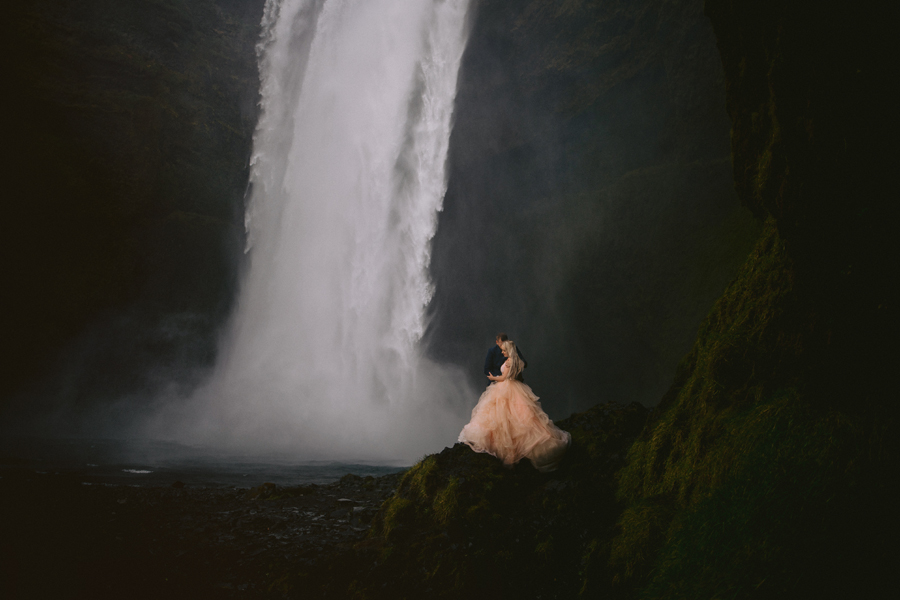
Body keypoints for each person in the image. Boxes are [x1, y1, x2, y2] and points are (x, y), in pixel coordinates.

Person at [460, 339, 570, 472]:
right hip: (516, 387)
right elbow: (519, 374)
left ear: (509, 350)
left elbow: (503, 378)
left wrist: (493, 378)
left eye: (504, 350)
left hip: (506, 387)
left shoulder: (509, 362)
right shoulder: (517, 361)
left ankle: (509, 450)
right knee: (519, 414)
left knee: (505, 414)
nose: (502, 352)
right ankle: (514, 447)